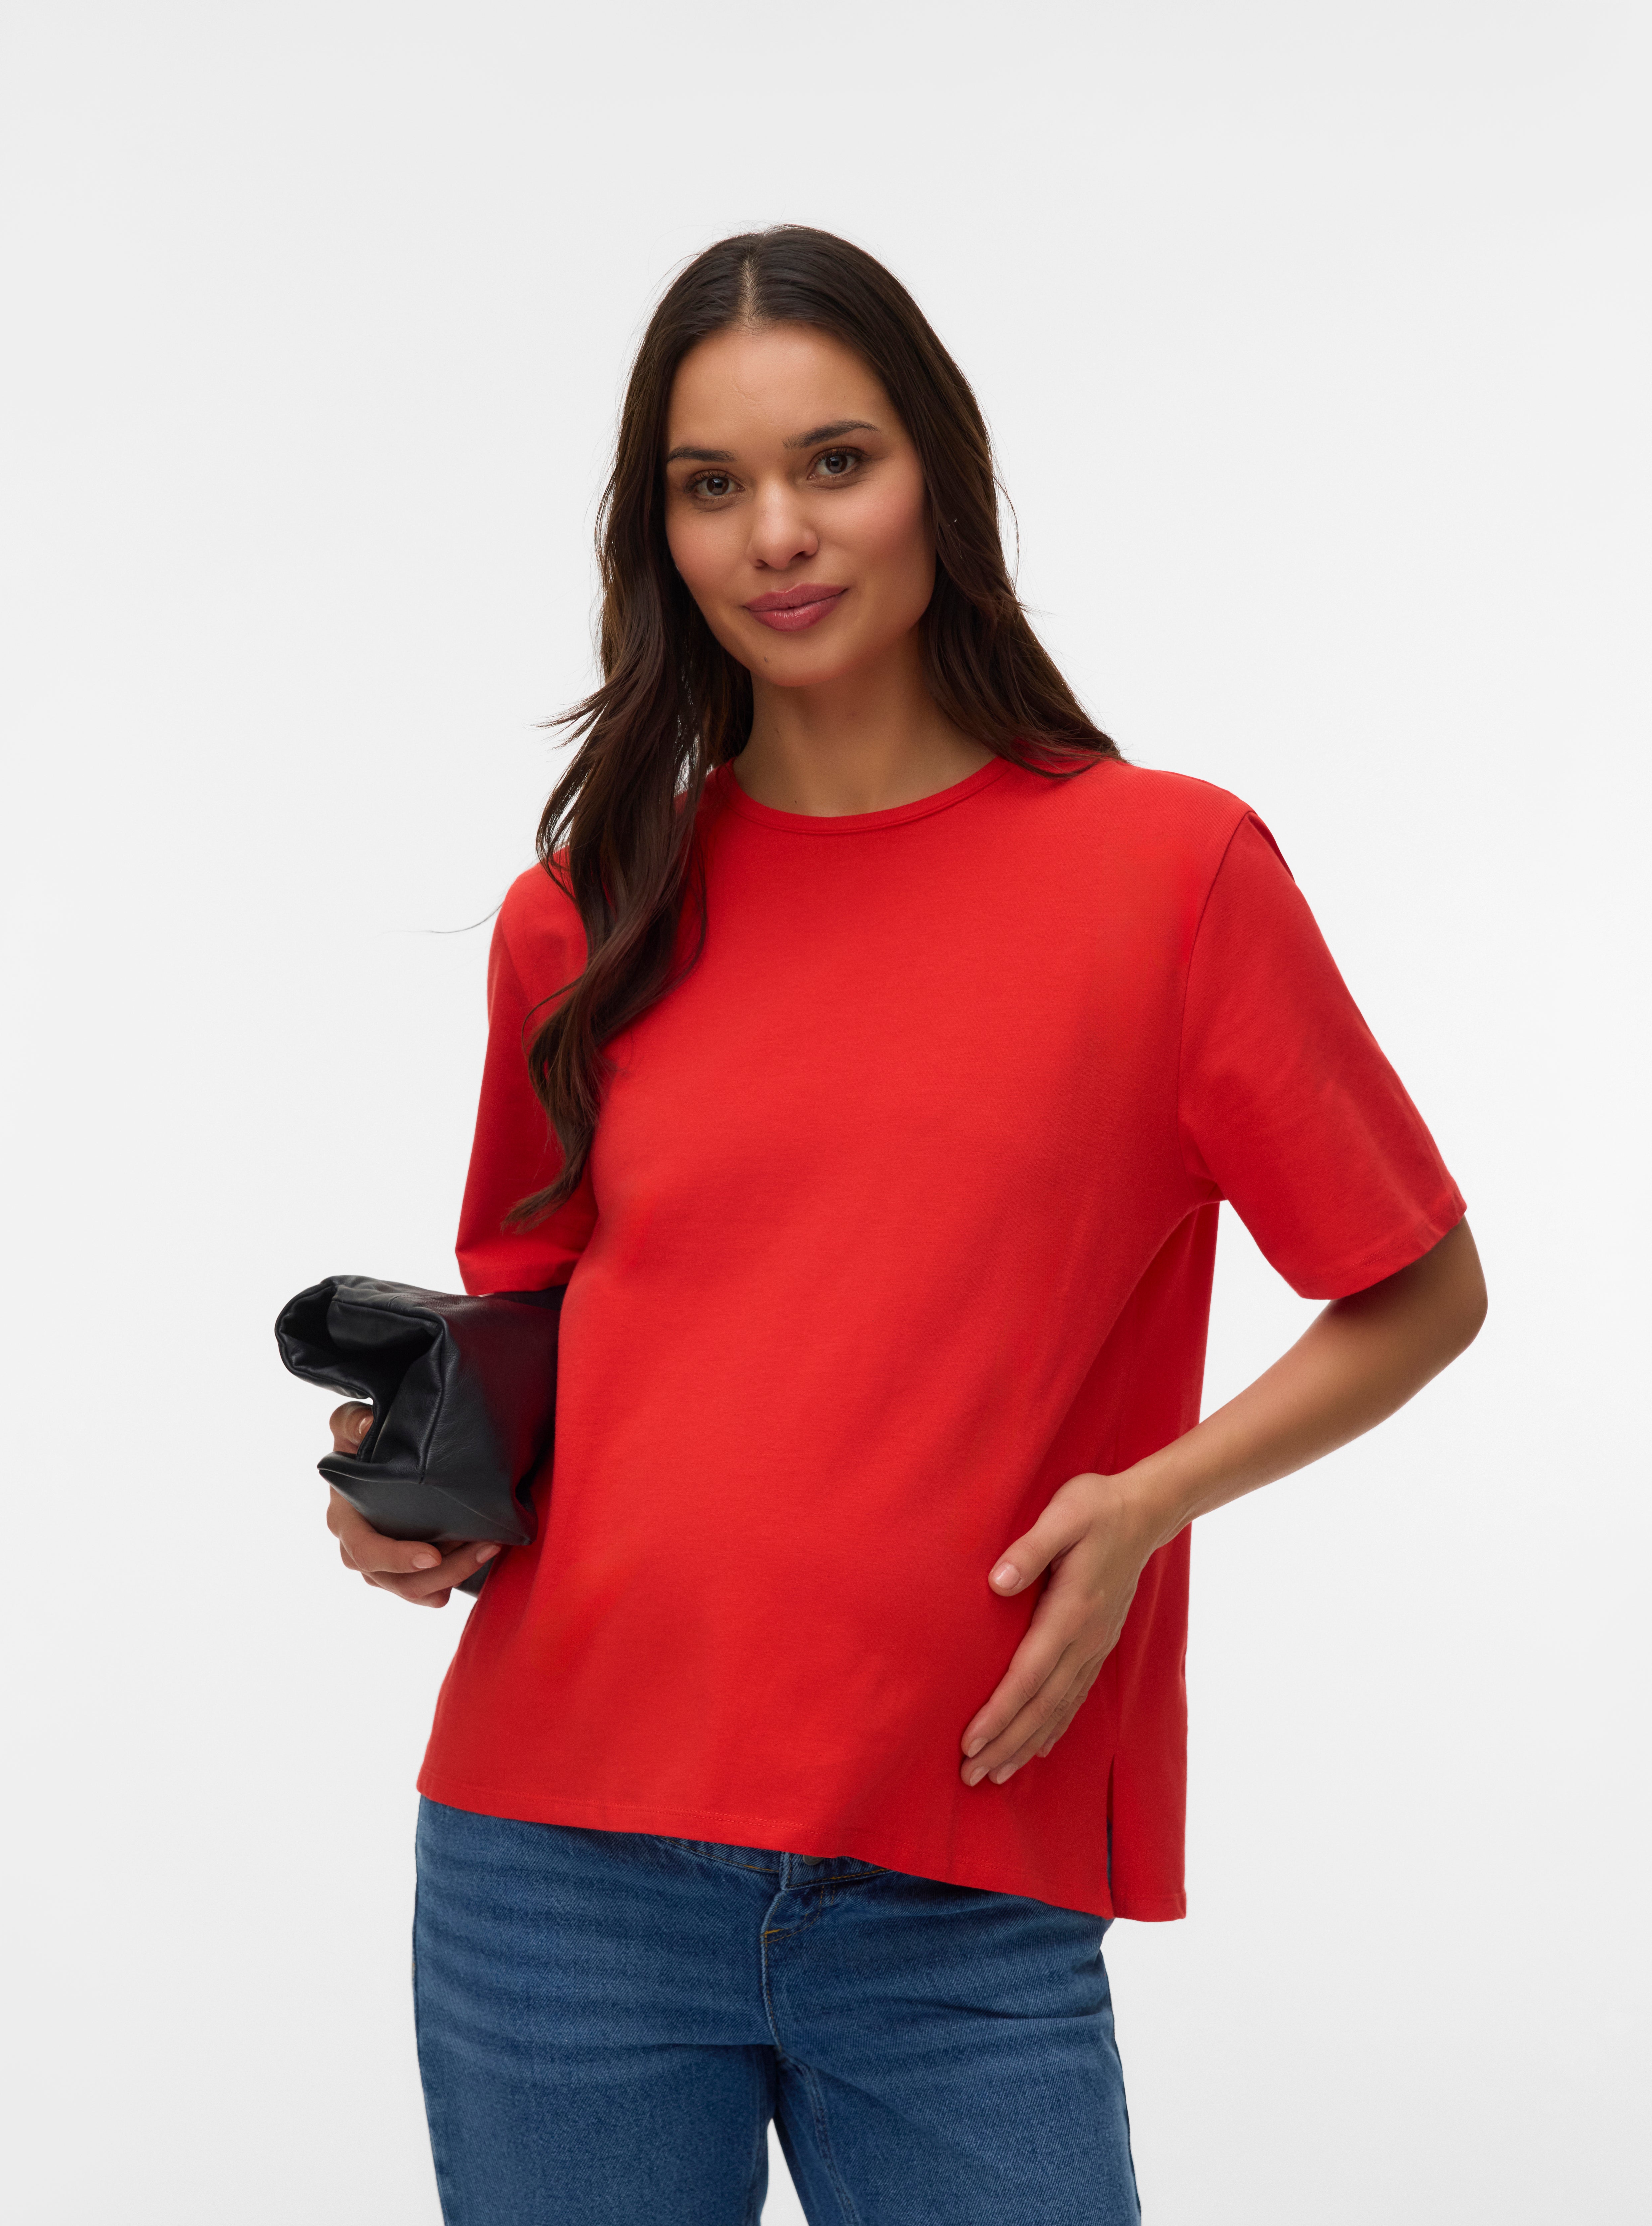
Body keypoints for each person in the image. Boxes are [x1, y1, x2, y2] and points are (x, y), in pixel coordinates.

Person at [321, 226, 1487, 2226]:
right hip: (555, 1866)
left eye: (835, 462)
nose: (777, 533)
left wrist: (1149, 1501)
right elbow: (534, 1317)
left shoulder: (1170, 876)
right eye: (713, 485)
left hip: (957, 1871)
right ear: (661, 533)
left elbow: (1421, 1286)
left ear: (940, 473)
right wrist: (414, 1484)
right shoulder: (583, 910)